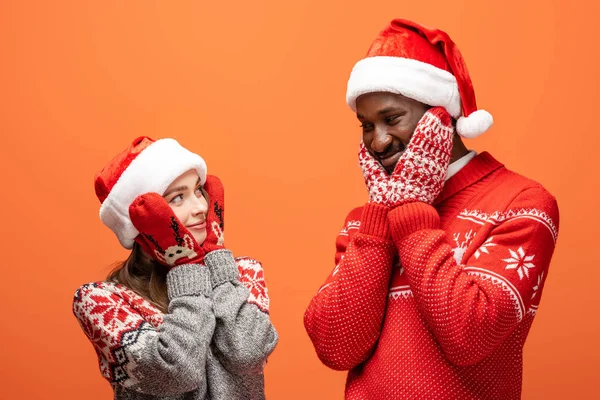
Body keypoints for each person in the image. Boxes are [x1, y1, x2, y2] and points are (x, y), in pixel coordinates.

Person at [304, 19, 559, 400]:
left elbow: (470, 335)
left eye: (391, 119)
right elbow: (335, 346)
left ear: (442, 118)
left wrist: (410, 210)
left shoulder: (521, 202)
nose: (378, 141)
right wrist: (382, 214)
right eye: (366, 125)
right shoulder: (364, 221)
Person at [73, 136, 277, 399]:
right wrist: (186, 263)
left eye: (199, 191)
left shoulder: (244, 273)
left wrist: (216, 258)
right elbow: (178, 373)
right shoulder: (99, 302)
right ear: (141, 221)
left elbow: (247, 355)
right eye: (178, 197)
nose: (202, 207)